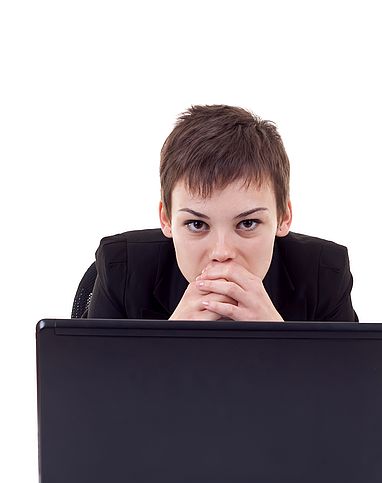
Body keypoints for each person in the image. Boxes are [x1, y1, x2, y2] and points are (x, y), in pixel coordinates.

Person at [87, 105, 358, 322]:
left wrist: (279, 342)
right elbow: (90, 388)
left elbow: (351, 389)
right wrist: (170, 343)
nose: (221, 252)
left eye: (248, 223)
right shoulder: (121, 267)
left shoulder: (325, 272)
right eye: (196, 224)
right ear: (166, 220)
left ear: (283, 217)